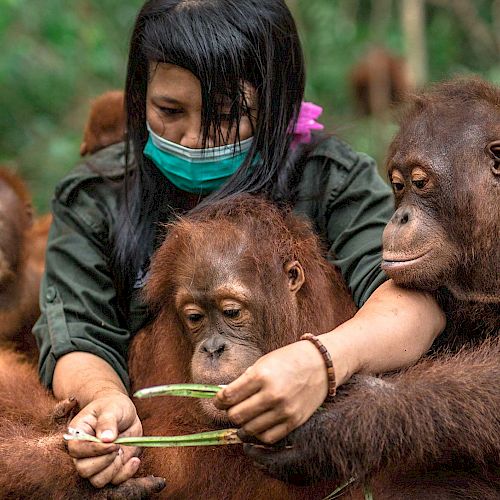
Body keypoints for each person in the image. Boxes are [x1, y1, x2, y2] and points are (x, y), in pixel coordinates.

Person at [33, 0, 445, 489]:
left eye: (227, 115)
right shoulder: (98, 198)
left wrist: (323, 363)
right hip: (162, 450)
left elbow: (412, 302)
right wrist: (103, 399)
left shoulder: (327, 179)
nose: (193, 137)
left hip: (307, 454)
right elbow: (75, 333)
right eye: (168, 110)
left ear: (274, 106)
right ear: (139, 95)